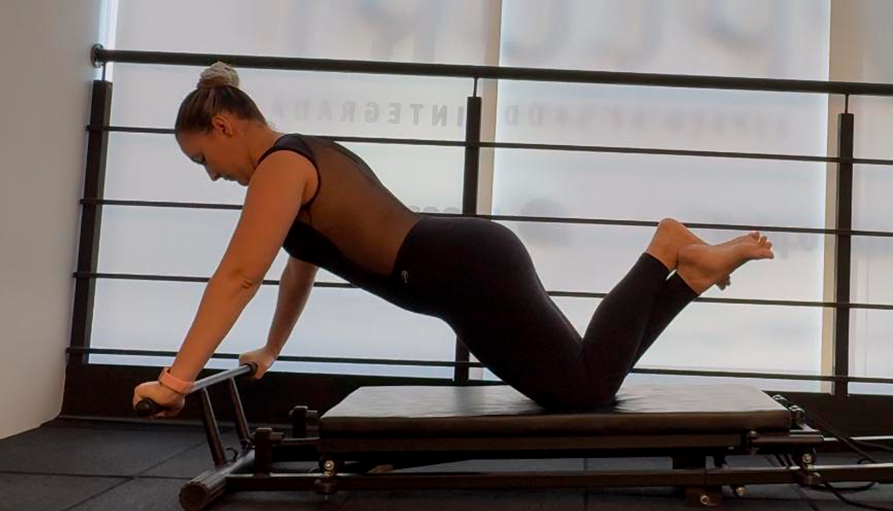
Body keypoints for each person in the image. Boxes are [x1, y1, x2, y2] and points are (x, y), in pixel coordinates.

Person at [132, 61, 773, 419]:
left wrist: (176, 379)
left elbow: (239, 275)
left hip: (464, 272)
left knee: (584, 389)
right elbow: (298, 266)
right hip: (464, 270)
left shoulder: (279, 166)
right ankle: (686, 270)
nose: (211, 174)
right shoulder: (299, 158)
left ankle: (665, 249)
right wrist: (273, 347)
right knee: (586, 378)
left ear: (224, 126)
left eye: (203, 159)